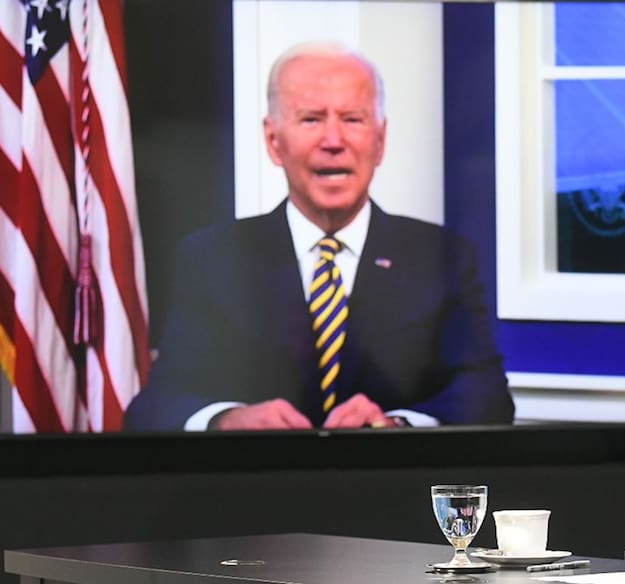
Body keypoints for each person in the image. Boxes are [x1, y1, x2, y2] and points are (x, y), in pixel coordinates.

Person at [125, 42, 514, 431]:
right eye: (311, 119)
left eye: (353, 119)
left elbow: (487, 396)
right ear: (274, 141)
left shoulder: (442, 257)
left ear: (380, 141)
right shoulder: (213, 258)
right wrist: (228, 419)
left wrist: (396, 426)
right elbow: (157, 405)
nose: (333, 141)